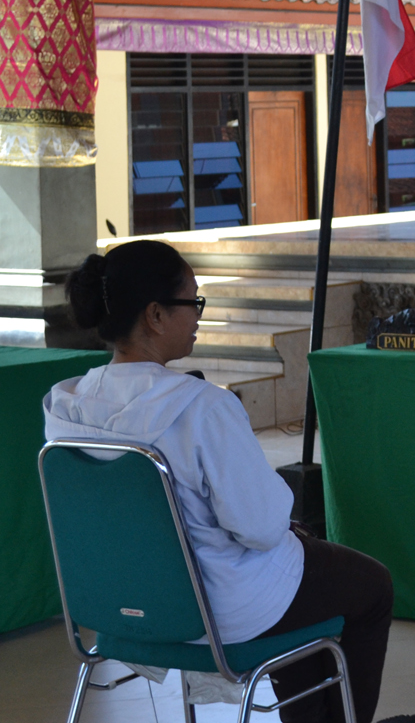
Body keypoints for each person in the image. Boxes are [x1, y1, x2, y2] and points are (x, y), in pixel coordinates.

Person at [44, 240, 392, 723]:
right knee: (371, 585)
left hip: (115, 608)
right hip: (218, 610)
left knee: (312, 588)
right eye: (193, 301)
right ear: (156, 316)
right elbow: (262, 528)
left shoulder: (65, 406)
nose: (199, 316)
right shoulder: (201, 406)